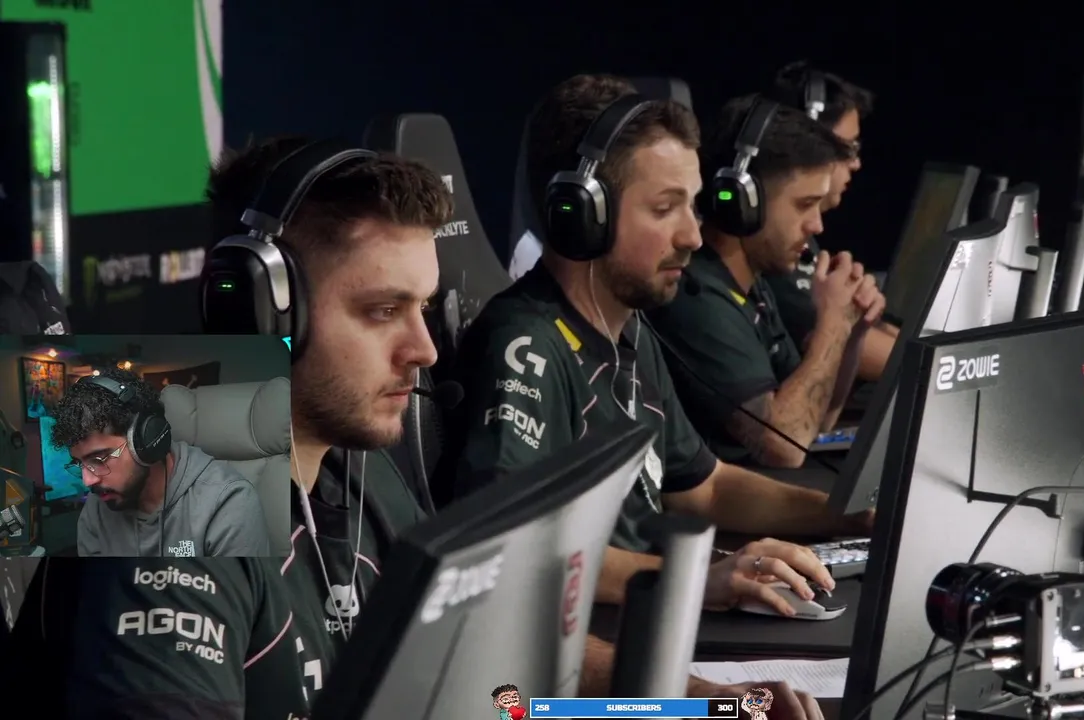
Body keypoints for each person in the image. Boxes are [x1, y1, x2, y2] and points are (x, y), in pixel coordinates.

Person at [1, 137, 823, 720]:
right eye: (381, 310)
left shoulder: (359, 467)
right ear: (260, 311)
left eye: (423, 307)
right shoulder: (165, 493)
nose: (425, 349)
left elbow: (496, 689)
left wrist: (696, 705)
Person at [450, 74, 873, 622]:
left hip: (651, 607)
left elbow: (706, 488)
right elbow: (509, 549)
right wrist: (692, 579)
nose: (692, 236)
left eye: (692, 206)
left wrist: (853, 515)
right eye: (664, 208)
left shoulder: (631, 330)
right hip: (586, 641)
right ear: (583, 215)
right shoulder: (525, 346)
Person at [647, 95, 883, 468]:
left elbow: (817, 420)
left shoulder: (753, 285)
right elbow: (785, 445)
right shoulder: (696, 296)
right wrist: (834, 325)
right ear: (746, 202)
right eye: (804, 204)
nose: (817, 226)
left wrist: (852, 330)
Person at [764, 62, 900, 381]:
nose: (856, 163)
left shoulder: (804, 234)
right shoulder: (774, 246)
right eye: (847, 148)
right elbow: (896, 362)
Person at [51, 367, 271, 557]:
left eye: (98, 459)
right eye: (80, 463)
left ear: (146, 441)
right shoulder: (97, 507)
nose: (88, 481)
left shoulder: (228, 503)